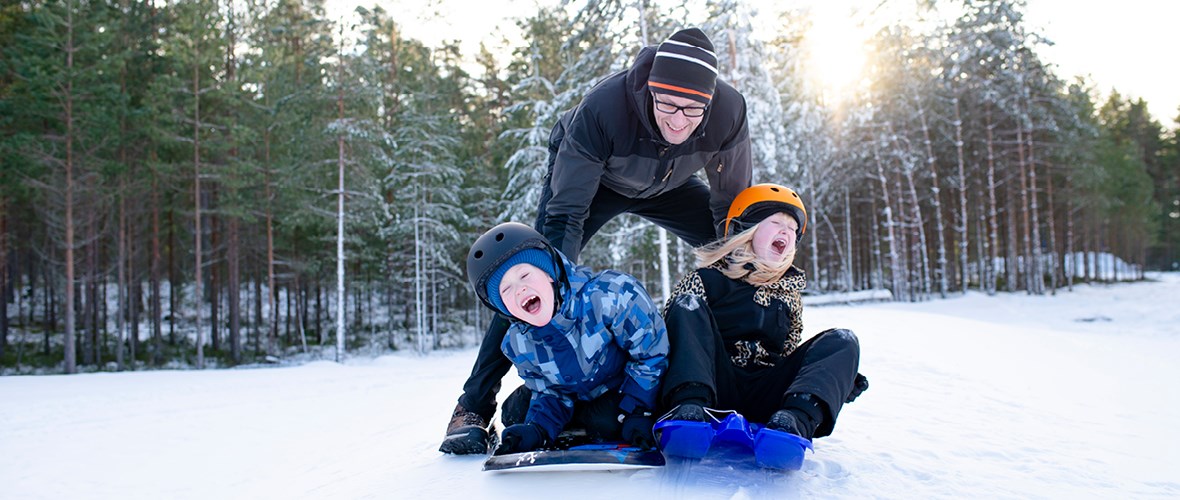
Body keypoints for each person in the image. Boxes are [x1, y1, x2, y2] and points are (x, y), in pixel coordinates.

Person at [441, 26, 753, 454]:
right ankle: (472, 407)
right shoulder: (605, 109)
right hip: (594, 182)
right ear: (650, 89)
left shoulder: (729, 112)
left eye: (692, 110)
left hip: (669, 187)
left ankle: (747, 365)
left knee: (738, 250)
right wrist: (553, 281)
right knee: (530, 276)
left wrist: (736, 257)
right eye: (667, 105)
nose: (679, 120)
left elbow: (731, 210)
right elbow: (567, 214)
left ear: (710, 101)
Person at [658, 183, 868, 442]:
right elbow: (674, 337)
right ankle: (687, 408)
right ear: (747, 229)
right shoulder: (706, 280)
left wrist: (831, 375)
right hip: (712, 385)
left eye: (792, 229)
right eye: (777, 222)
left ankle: (794, 422)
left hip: (765, 395)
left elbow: (790, 352)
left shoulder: (788, 295)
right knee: (686, 305)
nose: (787, 231)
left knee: (843, 341)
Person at [460, 222, 668, 454]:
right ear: (503, 308)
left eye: (525, 275)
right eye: (506, 290)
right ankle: (567, 426)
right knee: (514, 412)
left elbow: (651, 355)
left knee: (607, 421)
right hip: (579, 395)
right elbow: (550, 391)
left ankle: (597, 422)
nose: (519, 289)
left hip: (625, 385)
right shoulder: (518, 344)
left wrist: (638, 410)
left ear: (550, 273)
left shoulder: (611, 296)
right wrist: (537, 429)